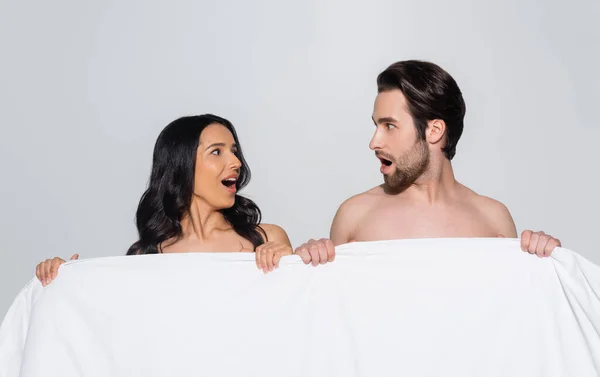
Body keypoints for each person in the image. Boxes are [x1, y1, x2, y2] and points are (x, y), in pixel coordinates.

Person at [294, 60, 562, 266]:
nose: (374, 142)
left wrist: (541, 258)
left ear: (434, 131)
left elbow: (513, 314)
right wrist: (307, 264)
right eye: (376, 125)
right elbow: (330, 315)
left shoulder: (492, 219)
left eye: (389, 126)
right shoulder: (354, 215)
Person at [36, 114, 292, 285]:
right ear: (181, 165)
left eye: (234, 152)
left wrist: (292, 264)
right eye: (216, 152)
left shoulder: (267, 239)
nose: (236, 162)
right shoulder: (144, 256)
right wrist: (67, 280)